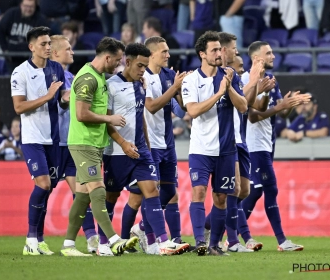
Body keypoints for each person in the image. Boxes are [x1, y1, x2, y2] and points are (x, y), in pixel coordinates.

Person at [101, 42, 189, 256]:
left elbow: (141, 118)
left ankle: (163, 242)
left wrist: (146, 146)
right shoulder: (111, 85)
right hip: (117, 152)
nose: (143, 70)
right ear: (128, 62)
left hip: (140, 150)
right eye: (140, 65)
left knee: (152, 191)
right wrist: (123, 143)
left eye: (145, 65)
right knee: (111, 197)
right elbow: (106, 121)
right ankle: (105, 243)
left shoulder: (141, 84)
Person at [60, 37, 138, 257]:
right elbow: (81, 114)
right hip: (83, 142)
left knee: (83, 195)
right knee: (99, 190)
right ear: (107, 57)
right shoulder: (88, 79)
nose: (119, 64)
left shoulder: (100, 77)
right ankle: (113, 240)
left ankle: (68, 245)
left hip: (94, 143)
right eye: (117, 59)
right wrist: (109, 119)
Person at [182, 31, 248, 256]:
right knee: (198, 191)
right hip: (200, 149)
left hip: (227, 149)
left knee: (221, 197)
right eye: (214, 50)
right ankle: (200, 241)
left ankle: (214, 245)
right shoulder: (191, 79)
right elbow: (192, 111)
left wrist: (228, 88)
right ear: (202, 54)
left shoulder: (230, 75)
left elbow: (243, 107)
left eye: (220, 49)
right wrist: (219, 94)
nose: (220, 53)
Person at [208, 32, 274, 253]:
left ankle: (209, 224)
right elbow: (242, 102)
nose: (237, 51)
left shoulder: (233, 74)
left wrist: (260, 89)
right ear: (224, 50)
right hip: (224, 140)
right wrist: (254, 79)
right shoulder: (217, 75)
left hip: (240, 137)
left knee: (243, 191)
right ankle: (235, 240)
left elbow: (250, 105)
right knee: (233, 191)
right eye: (234, 48)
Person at [241, 41, 310, 251]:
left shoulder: (271, 81)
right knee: (270, 188)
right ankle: (282, 241)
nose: (273, 56)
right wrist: (280, 106)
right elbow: (252, 116)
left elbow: (280, 112)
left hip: (267, 143)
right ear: (257, 59)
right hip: (253, 145)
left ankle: (233, 235)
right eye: (268, 53)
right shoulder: (246, 80)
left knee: (254, 193)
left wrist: (288, 105)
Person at [11, 26, 68, 256]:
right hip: (33, 138)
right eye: (43, 44)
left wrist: (66, 98)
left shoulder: (56, 69)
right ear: (31, 47)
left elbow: (60, 101)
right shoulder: (20, 72)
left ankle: (40, 240)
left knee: (47, 189)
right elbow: (18, 107)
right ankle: (30, 239)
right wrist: (46, 96)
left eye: (49, 43)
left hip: (53, 139)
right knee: (43, 184)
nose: (48, 47)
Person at [128, 36, 188, 254]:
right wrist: (175, 88)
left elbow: (181, 111)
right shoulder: (142, 77)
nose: (168, 55)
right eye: (164, 51)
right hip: (149, 143)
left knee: (170, 190)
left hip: (167, 142)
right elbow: (151, 106)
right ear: (151, 54)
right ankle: (155, 240)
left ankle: (142, 228)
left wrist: (180, 90)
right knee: (149, 192)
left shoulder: (169, 75)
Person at [49, 34, 99, 253]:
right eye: (68, 49)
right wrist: (63, 97)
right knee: (43, 191)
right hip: (52, 143)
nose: (73, 52)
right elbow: (60, 101)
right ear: (55, 53)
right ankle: (35, 238)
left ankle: (91, 238)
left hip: (72, 143)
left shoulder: (72, 76)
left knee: (82, 192)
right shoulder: (47, 76)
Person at [0, 0, 49, 73]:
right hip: (11, 57)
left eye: (31, 7)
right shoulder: (11, 14)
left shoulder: (40, 19)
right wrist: (5, 49)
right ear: (21, 5)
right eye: (26, 6)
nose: (28, 9)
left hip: (30, 60)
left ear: (35, 7)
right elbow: (0, 31)